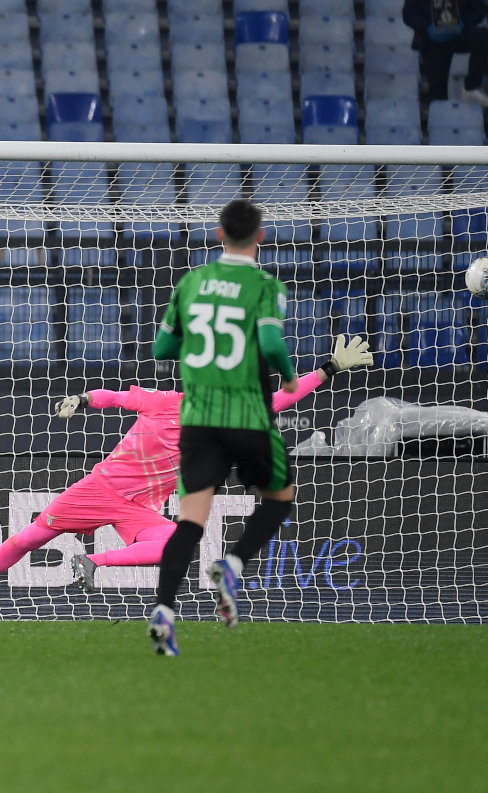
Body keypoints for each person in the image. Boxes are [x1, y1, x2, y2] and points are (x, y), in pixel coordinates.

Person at [0, 336, 372, 622]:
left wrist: (331, 368)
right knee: (26, 541)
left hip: (138, 507)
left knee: (175, 543)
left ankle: (94, 563)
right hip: (101, 488)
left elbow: (280, 398)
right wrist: (82, 398)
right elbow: (116, 396)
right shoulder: (165, 401)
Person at [143, 200, 299, 656]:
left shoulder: (191, 282)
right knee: (279, 496)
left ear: (217, 234)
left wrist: (199, 352)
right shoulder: (265, 285)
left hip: (198, 419)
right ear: (261, 237)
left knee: (189, 521)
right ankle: (231, 563)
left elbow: (161, 348)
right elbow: (270, 342)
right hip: (248, 415)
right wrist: (288, 376)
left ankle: (163, 613)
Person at [404, 0, 488, 106]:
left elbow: (478, 10)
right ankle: (440, 117)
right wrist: (426, 27)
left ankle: (472, 87)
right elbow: (409, 13)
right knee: (437, 94)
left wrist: (462, 23)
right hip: (432, 41)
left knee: (484, 37)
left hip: (459, 33)